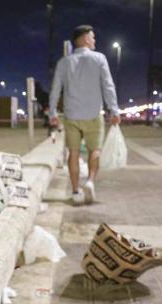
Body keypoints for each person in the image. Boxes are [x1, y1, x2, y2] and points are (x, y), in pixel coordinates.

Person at [49, 25, 120, 204]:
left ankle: (75, 191)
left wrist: (52, 112)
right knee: (94, 151)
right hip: (93, 115)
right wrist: (114, 109)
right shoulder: (99, 59)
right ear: (85, 39)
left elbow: (56, 89)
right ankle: (89, 182)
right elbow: (108, 86)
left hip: (71, 115)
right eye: (93, 37)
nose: (94, 40)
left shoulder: (64, 62)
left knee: (73, 153)